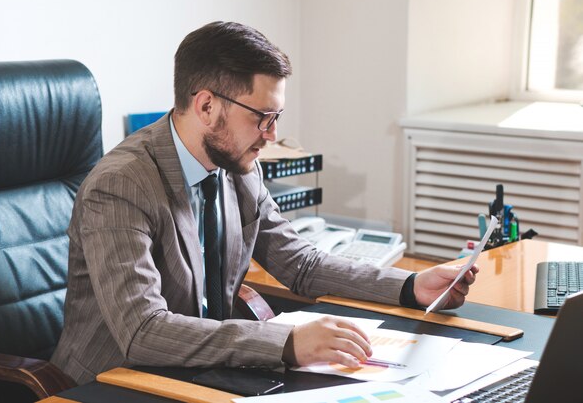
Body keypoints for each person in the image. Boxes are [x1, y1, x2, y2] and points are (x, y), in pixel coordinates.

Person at [51, 21, 478, 385]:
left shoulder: (236, 165)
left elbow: (300, 264)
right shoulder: (122, 185)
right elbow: (142, 331)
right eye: (262, 117)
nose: (272, 135)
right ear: (206, 106)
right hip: (114, 380)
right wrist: (288, 342)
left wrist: (408, 286)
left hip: (203, 370)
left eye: (277, 118)